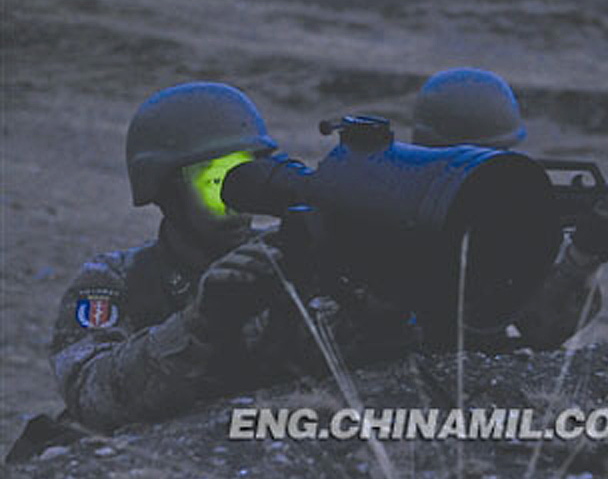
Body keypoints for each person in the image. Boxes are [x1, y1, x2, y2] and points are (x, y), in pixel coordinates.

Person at [49, 82, 413, 431]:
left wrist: (382, 300)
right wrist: (202, 321)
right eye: (214, 185)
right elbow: (90, 397)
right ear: (165, 192)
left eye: (245, 182)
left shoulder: (289, 256)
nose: (236, 207)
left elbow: (352, 349)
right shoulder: (117, 281)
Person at [412, 67, 608, 350]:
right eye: (494, 158)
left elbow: (543, 327)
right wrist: (583, 255)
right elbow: (537, 329)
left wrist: (588, 251)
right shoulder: (419, 217)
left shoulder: (403, 192)